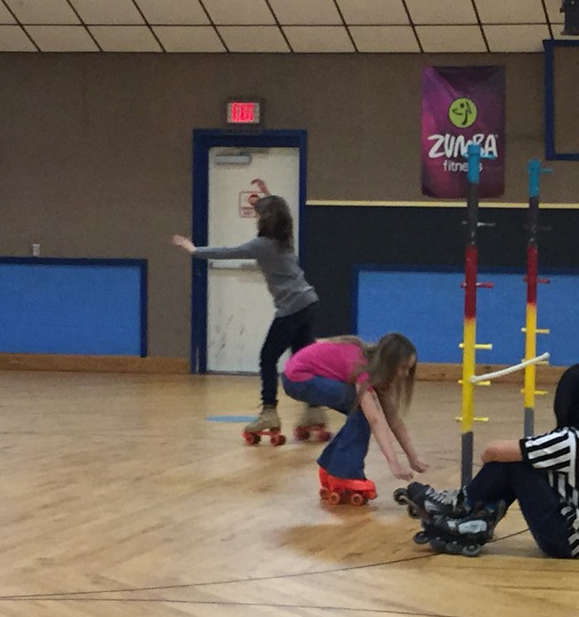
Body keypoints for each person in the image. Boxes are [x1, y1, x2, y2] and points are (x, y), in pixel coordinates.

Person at [399, 363, 579, 558]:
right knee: (527, 460)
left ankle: (462, 503)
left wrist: (490, 474)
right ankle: (480, 518)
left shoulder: (571, 440)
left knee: (518, 464)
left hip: (566, 541)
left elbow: (492, 451)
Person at [171, 195, 327, 440]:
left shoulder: (261, 245)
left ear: (265, 219)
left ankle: (269, 412)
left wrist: (194, 250)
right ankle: (314, 409)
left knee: (267, 358)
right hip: (309, 302)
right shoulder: (285, 242)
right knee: (302, 358)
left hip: (291, 307)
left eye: (259, 215)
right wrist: (266, 197)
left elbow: (229, 252)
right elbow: (278, 212)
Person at [281, 333, 428, 503]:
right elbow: (375, 420)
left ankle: (332, 465)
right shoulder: (362, 367)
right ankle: (344, 472)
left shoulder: (376, 374)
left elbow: (394, 420)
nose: (405, 374)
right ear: (389, 363)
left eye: (409, 369)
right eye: (403, 368)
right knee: (362, 408)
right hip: (298, 378)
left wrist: (412, 458)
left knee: (362, 410)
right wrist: (393, 462)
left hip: (300, 375)